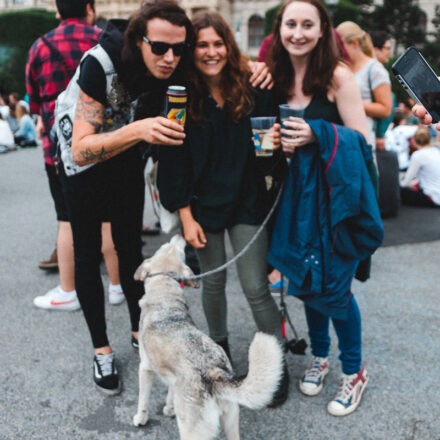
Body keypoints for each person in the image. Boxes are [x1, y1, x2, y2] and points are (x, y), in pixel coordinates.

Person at [63, 0, 196, 396]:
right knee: (87, 253)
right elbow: (81, 148)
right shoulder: (99, 62)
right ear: (139, 41)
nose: (170, 58)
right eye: (159, 48)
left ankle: (140, 333)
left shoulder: (174, 65)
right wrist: (139, 130)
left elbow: (219, 62)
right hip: (80, 163)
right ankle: (101, 349)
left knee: (129, 248)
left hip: (124, 159)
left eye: (179, 49)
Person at [157, 10, 289, 407]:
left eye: (218, 43)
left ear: (228, 46)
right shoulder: (179, 94)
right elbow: (172, 158)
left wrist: (276, 142)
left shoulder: (254, 83)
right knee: (212, 284)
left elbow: (270, 140)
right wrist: (184, 216)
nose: (211, 52)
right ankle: (221, 358)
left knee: (255, 287)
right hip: (202, 206)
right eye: (202, 45)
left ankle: (276, 364)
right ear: (190, 51)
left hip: (247, 199)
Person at [268, 0, 382, 416]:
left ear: (322, 31)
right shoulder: (276, 77)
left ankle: (354, 372)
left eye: (307, 25)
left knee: (334, 289)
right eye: (290, 24)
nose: (297, 32)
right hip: (294, 201)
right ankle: (320, 355)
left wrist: (317, 133)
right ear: (280, 29)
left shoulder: (337, 76)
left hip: (335, 203)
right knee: (304, 282)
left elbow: (360, 140)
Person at [27, 1, 125, 308]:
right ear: (89, 8)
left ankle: (69, 291)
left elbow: (33, 99)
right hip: (105, 143)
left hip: (60, 149)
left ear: (58, 11)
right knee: (109, 219)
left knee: (67, 220)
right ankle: (118, 287)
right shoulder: (104, 41)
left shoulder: (40, 46)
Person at [336, 21, 392, 148]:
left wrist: (349, 103)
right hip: (341, 137)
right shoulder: (342, 67)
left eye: (341, 48)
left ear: (355, 43)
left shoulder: (375, 69)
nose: (338, 53)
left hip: (363, 139)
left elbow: (386, 109)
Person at [400, 127, 440, 207]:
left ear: (414, 141)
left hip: (433, 198)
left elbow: (406, 182)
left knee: (400, 190)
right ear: (429, 139)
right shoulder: (437, 152)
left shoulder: (417, 155)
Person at [370, 30, 395, 151]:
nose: (389, 52)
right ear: (375, 49)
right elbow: (385, 107)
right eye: (387, 48)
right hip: (372, 133)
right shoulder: (377, 70)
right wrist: (380, 135)